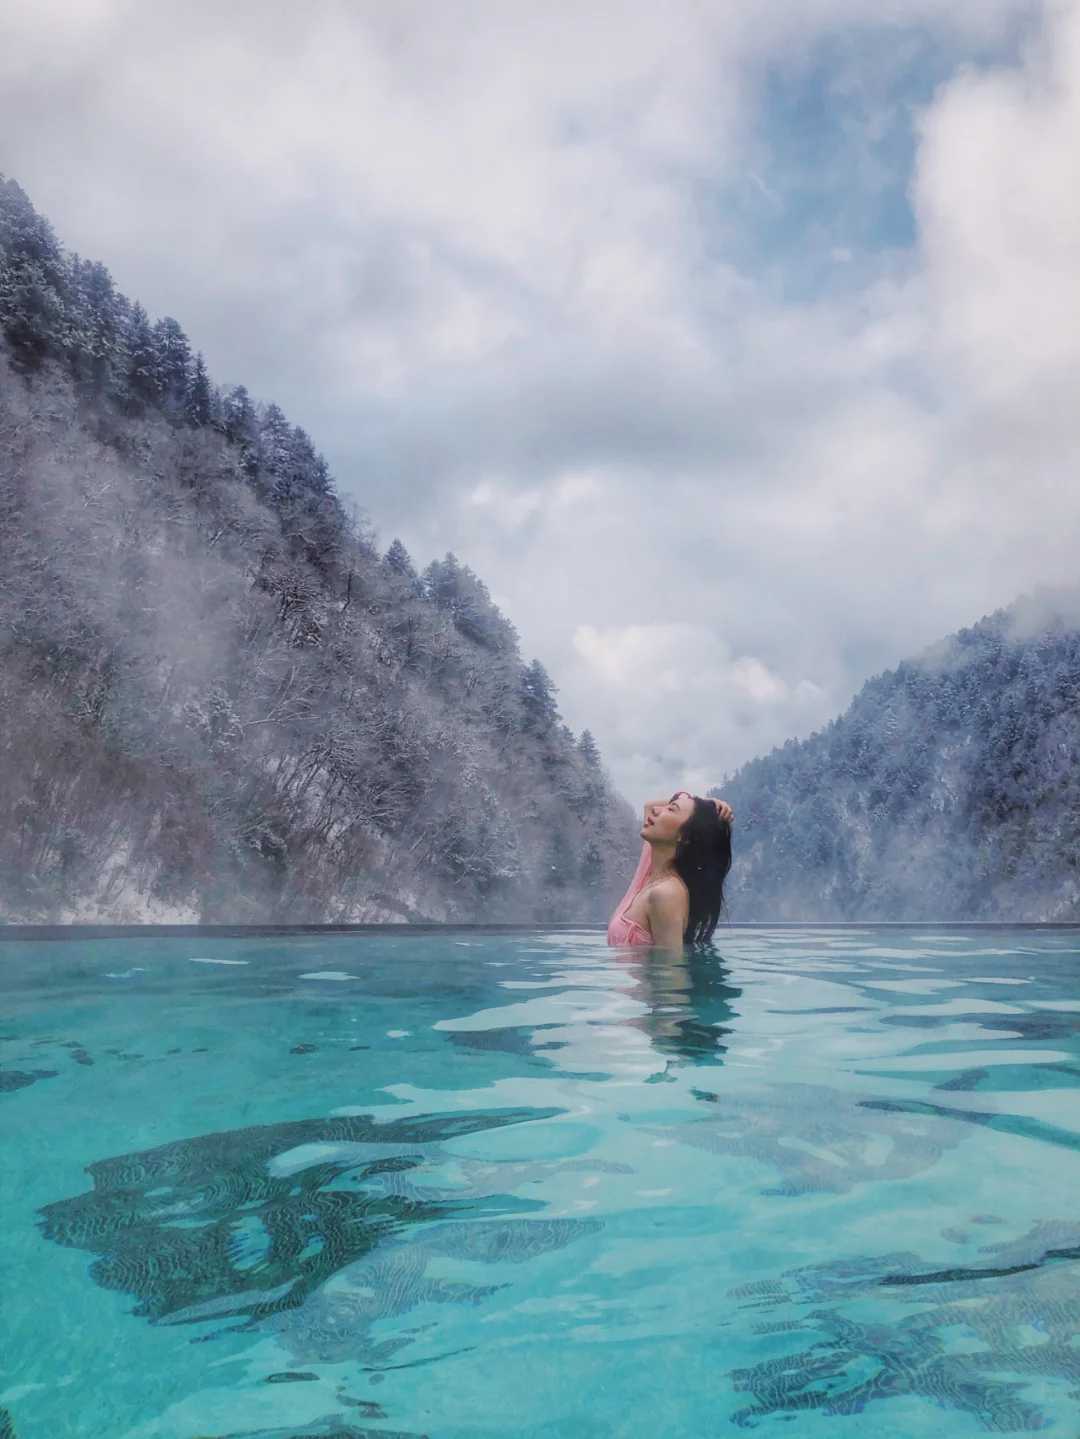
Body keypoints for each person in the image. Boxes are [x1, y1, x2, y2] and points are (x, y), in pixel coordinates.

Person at [608, 793, 733, 949]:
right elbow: (650, 805)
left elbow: (670, 970)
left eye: (672, 809)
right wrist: (707, 804)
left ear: (684, 836)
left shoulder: (665, 894)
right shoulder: (650, 870)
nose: (656, 810)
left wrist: (704, 810)